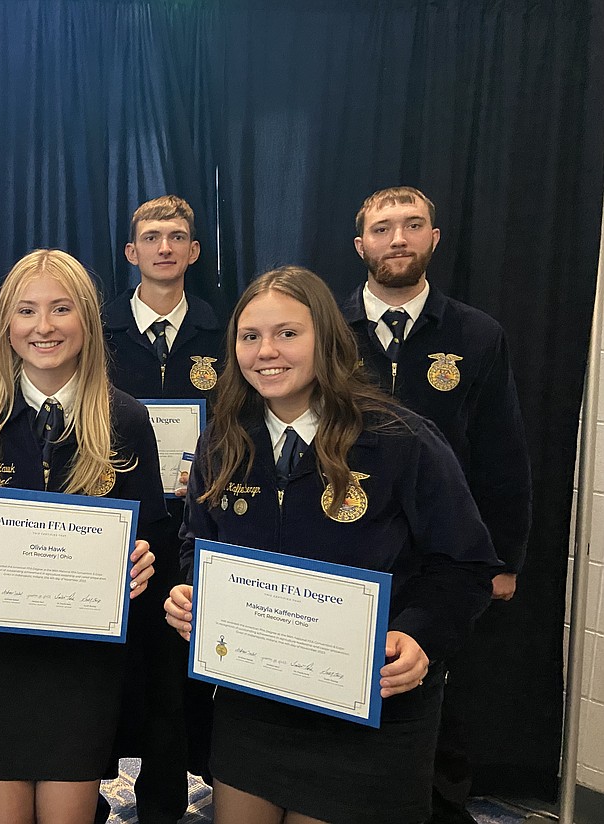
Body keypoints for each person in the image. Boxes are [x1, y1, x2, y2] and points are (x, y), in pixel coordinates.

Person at [164, 266, 500, 824]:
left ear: (327, 338)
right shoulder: (223, 440)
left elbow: (464, 567)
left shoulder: (399, 439)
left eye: (288, 334)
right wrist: (190, 592)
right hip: (255, 704)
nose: (267, 351)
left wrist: (419, 635)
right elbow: (198, 542)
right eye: (250, 337)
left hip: (369, 711)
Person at [0, 249, 166, 824]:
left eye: (62, 309)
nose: (44, 327)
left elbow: (154, 533)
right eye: (27, 311)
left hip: (81, 664)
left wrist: (142, 564)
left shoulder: (125, 418)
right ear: (5, 324)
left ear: (87, 319)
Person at [341, 186, 531, 823]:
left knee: (439, 696)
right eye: (383, 227)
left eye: (412, 225)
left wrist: (503, 559)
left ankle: (442, 808)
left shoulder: (477, 336)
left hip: (449, 554)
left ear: (434, 238)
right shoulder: (324, 333)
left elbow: (503, 456)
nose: (398, 238)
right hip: (350, 543)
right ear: (360, 243)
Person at [101, 195, 224, 822]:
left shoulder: (223, 329)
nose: (165, 247)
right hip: (120, 530)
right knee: (120, 665)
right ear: (132, 253)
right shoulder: (98, 330)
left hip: (200, 527)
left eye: (178, 237)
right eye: (152, 237)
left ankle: (164, 801)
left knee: (180, 673)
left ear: (194, 251)